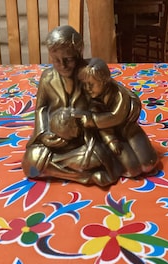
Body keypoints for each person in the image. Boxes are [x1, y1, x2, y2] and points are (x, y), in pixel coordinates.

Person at [22, 25, 123, 186]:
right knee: (30, 161)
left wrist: (94, 123)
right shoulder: (47, 78)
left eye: (68, 59)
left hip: (83, 140)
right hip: (55, 141)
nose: (62, 65)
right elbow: (41, 108)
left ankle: (63, 167)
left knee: (98, 155)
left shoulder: (88, 75)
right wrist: (43, 134)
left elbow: (102, 103)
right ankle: (84, 176)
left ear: (79, 54)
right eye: (56, 60)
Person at [77, 57, 159, 178]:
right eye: (84, 85)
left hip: (128, 129)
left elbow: (116, 116)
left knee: (148, 163)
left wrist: (92, 120)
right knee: (133, 169)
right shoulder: (89, 100)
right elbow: (102, 127)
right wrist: (111, 141)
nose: (87, 88)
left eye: (91, 84)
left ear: (104, 81)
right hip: (110, 137)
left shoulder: (120, 95)